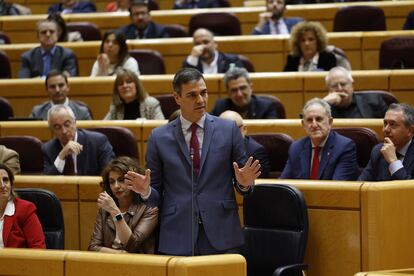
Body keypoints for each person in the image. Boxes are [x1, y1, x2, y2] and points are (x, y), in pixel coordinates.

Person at [126, 68, 261, 256]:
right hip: (177, 233)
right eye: (192, 95)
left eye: (204, 93)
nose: (201, 100)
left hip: (222, 231)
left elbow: (243, 182)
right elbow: (155, 195)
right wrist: (145, 191)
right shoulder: (159, 137)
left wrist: (245, 184)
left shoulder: (228, 129)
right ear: (177, 98)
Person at [88, 156, 158, 253]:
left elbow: (132, 245)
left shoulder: (149, 209)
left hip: (139, 265)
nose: (116, 186)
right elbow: (93, 247)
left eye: (121, 180)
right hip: (109, 263)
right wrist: (119, 254)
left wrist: (115, 212)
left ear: (134, 179)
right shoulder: (105, 209)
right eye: (112, 182)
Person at [280, 98, 359, 180]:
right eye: (309, 120)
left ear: (330, 122)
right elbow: (284, 184)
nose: (314, 125)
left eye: (319, 119)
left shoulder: (344, 147)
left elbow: (336, 188)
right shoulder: (296, 148)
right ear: (303, 124)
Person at [42, 105, 115, 175]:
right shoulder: (48, 148)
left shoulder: (98, 142)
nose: (64, 131)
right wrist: (61, 156)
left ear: (74, 122)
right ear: (51, 130)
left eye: (67, 124)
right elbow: (48, 181)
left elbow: (109, 174)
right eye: (57, 127)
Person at [359, 103, 414, 181]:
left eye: (393, 125)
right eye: (385, 123)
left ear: (410, 131)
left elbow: (409, 191)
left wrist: (393, 161)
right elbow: (362, 185)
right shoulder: (378, 150)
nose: (386, 129)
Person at [0, 163, 45, 248]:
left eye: (5, 180)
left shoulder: (25, 210)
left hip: (15, 261)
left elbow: (38, 247)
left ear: (11, 184)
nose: (2, 185)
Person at [210, 67, 279, 119]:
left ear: (251, 87)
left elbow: (271, 136)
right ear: (228, 92)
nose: (239, 94)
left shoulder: (267, 107)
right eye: (234, 90)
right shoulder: (220, 107)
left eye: (243, 88)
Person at [220, 110, 270, 178]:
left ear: (244, 129)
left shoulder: (256, 152)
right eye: (223, 131)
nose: (227, 135)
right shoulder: (212, 147)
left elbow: (259, 183)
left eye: (232, 130)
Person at [323, 67, 388, 118]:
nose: (340, 89)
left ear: (352, 85)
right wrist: (324, 102)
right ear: (329, 89)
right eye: (334, 86)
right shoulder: (324, 108)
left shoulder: (374, 101)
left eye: (343, 84)